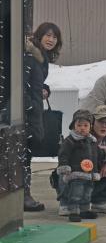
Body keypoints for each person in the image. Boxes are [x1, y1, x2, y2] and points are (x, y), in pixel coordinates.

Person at [24, 22, 62, 211]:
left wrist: (43, 89)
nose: (51, 39)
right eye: (47, 35)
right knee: (23, 155)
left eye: (54, 37)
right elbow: (23, 84)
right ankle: (23, 196)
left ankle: (24, 194)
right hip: (27, 114)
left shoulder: (39, 57)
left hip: (32, 111)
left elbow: (35, 82)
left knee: (25, 155)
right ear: (39, 36)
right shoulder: (31, 56)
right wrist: (30, 105)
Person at [56, 109, 104, 222]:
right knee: (76, 193)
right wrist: (64, 166)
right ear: (74, 126)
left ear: (90, 127)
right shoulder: (70, 141)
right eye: (79, 125)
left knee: (87, 193)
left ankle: (84, 210)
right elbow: (63, 154)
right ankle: (73, 211)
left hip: (89, 174)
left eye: (85, 125)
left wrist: (104, 156)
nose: (82, 128)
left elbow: (96, 155)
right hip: (76, 173)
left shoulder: (92, 141)